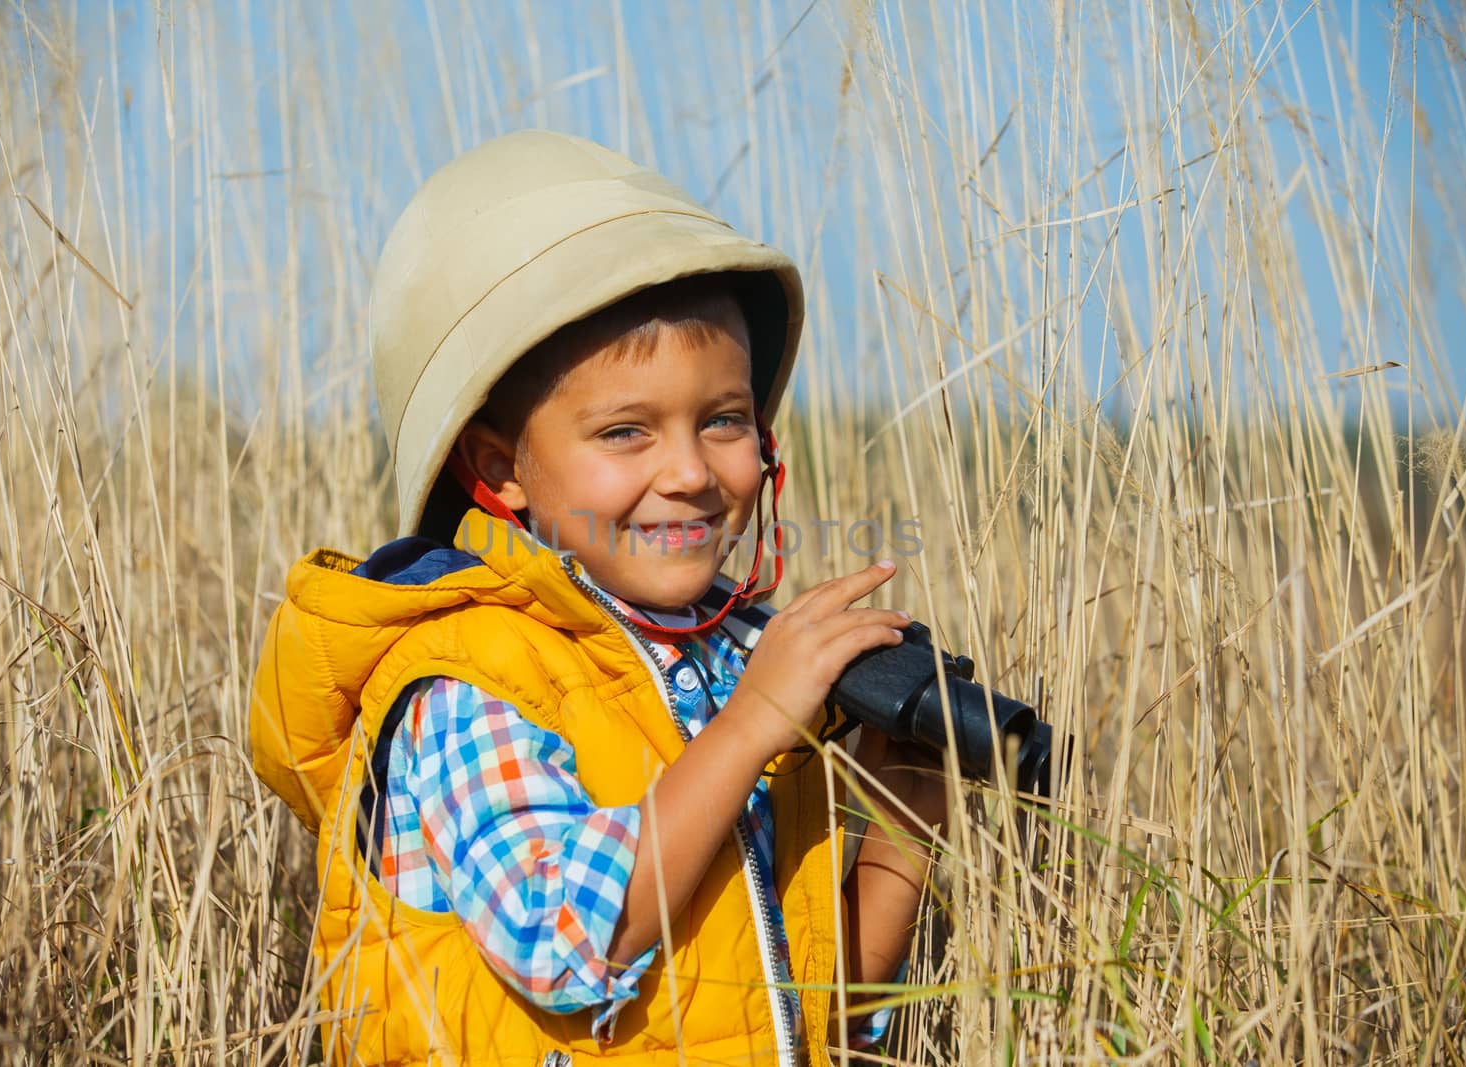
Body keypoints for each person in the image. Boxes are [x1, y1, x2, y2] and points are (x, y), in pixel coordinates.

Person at [249, 130, 946, 1066]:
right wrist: (751, 728)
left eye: (726, 419)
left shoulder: (733, 663)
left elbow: (826, 1010)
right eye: (626, 432)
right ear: (503, 469)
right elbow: (560, 941)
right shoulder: (473, 683)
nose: (692, 471)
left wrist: (911, 798)